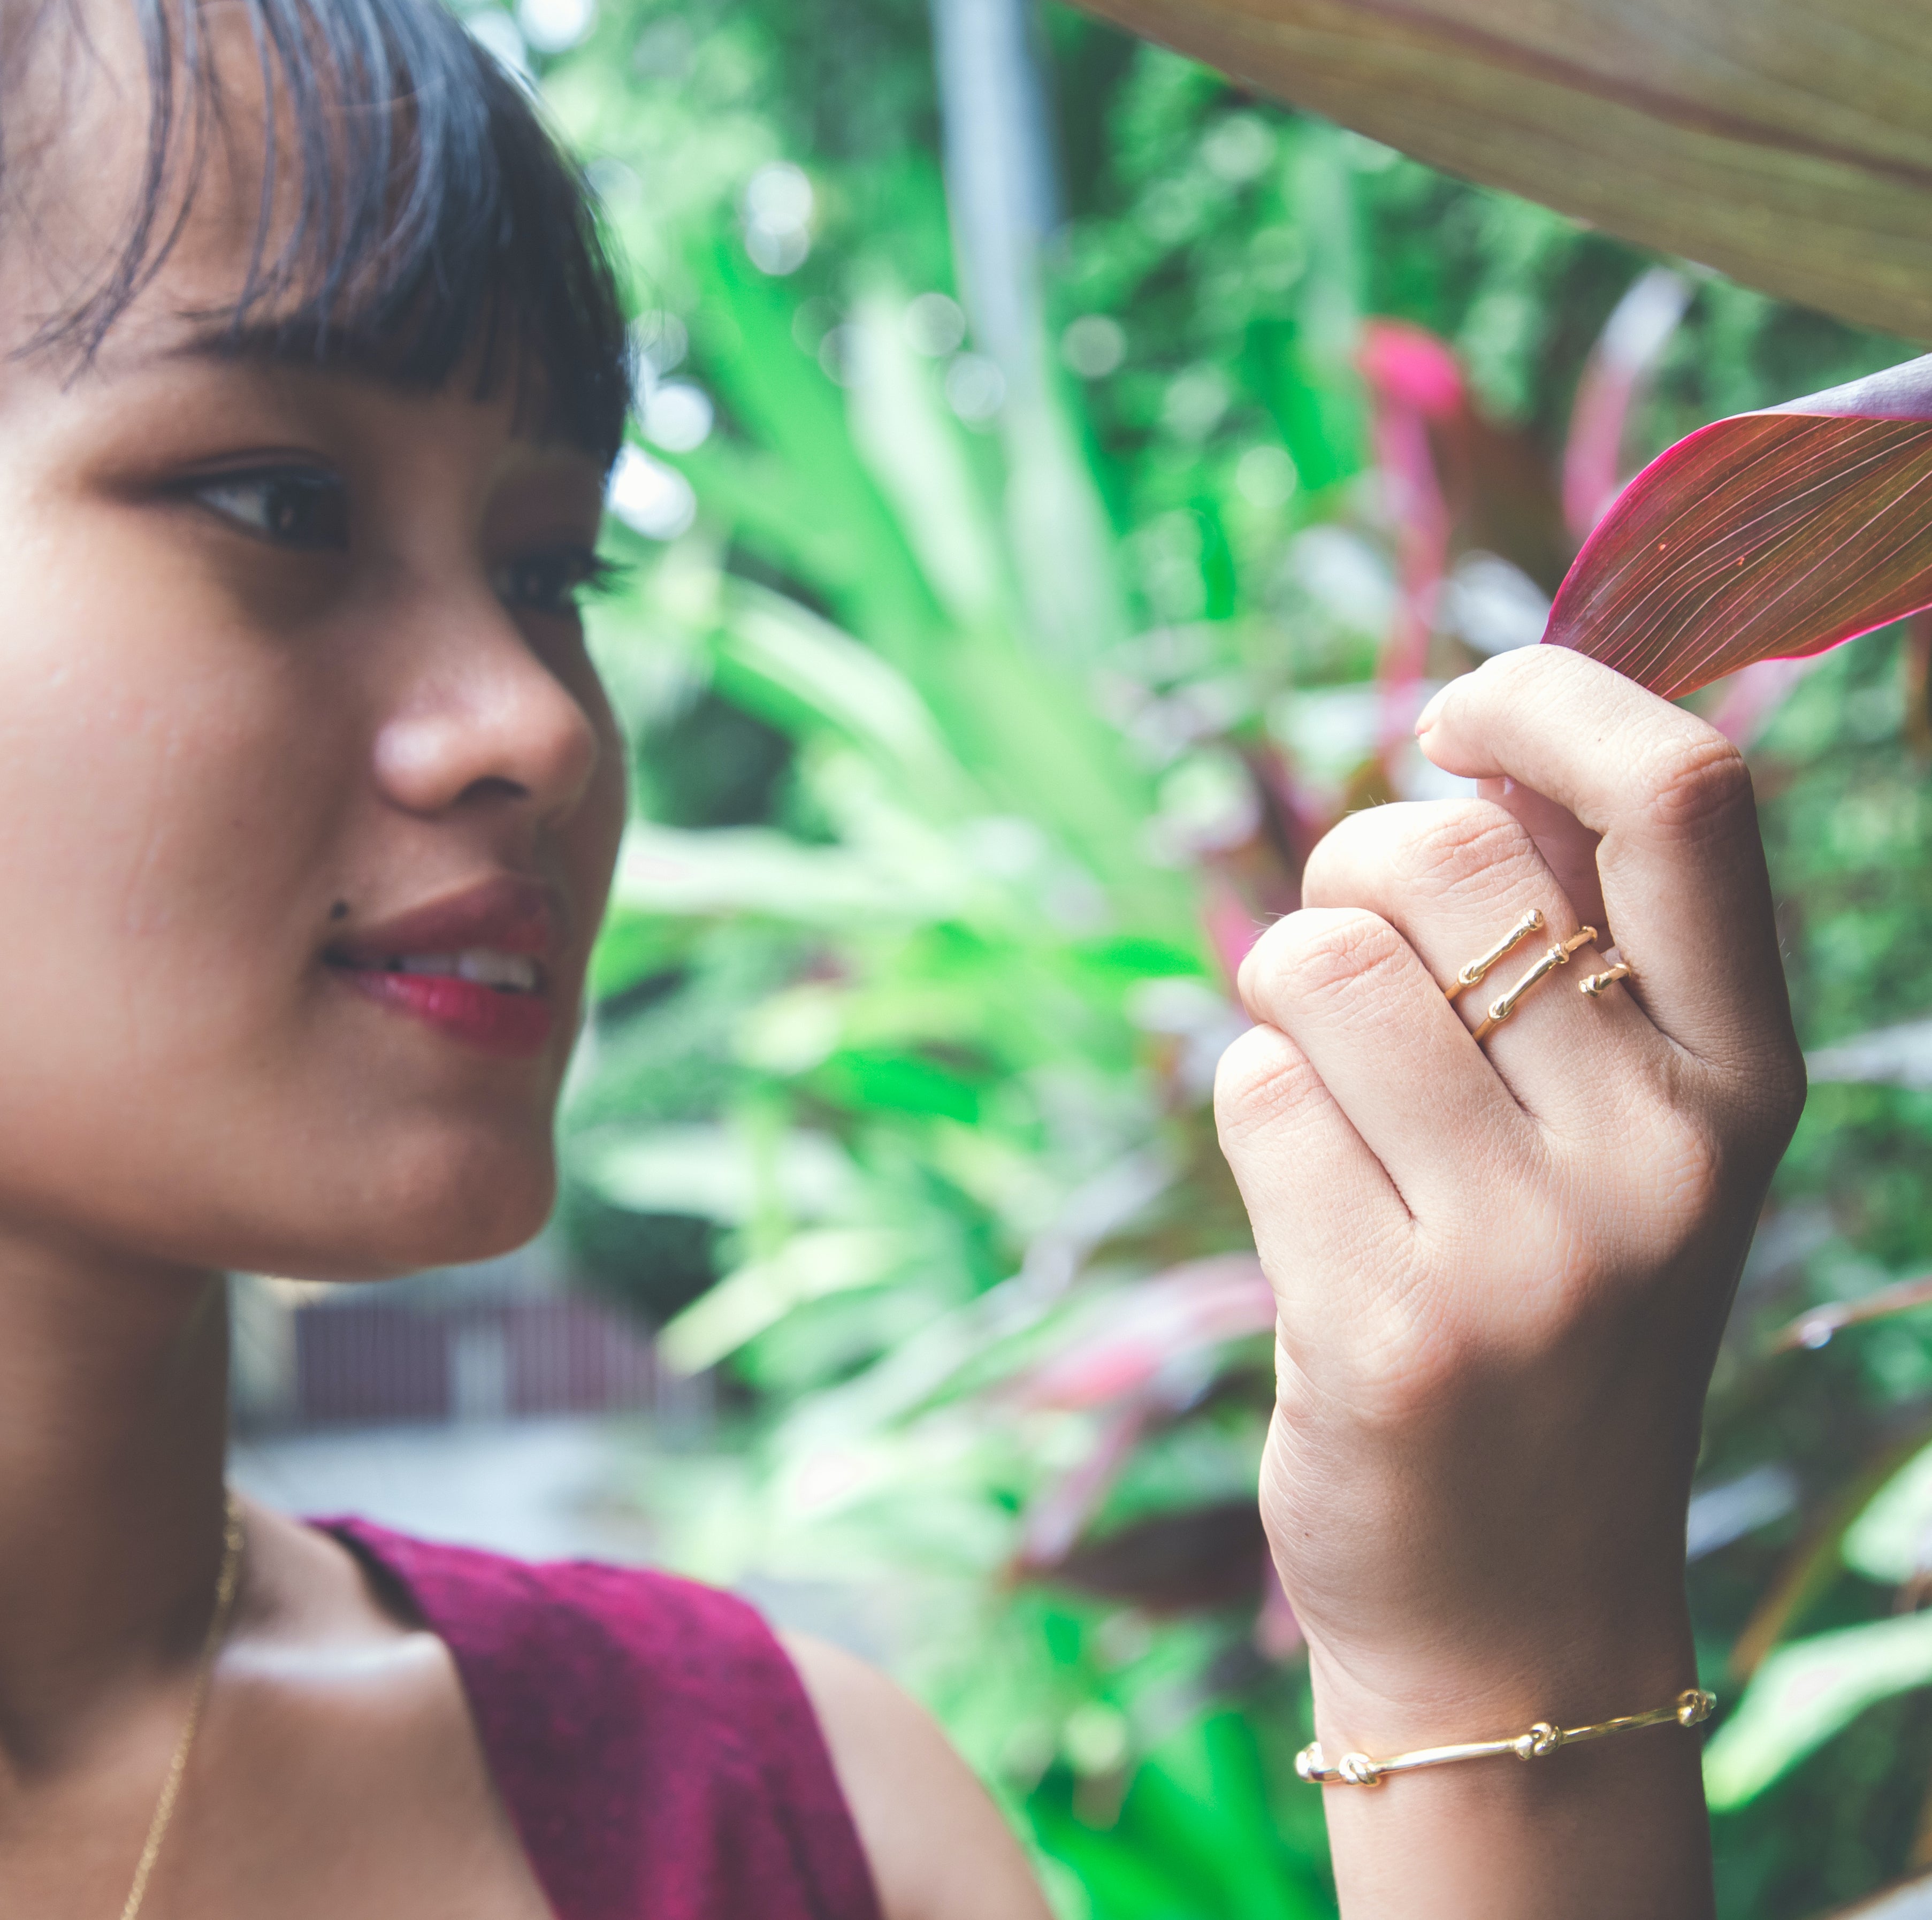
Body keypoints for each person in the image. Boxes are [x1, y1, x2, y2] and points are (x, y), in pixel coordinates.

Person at [0, 2, 1799, 1917]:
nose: (533, 721)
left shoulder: (792, 1816)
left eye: (549, 571)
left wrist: (1500, 1660)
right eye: (285, 505)